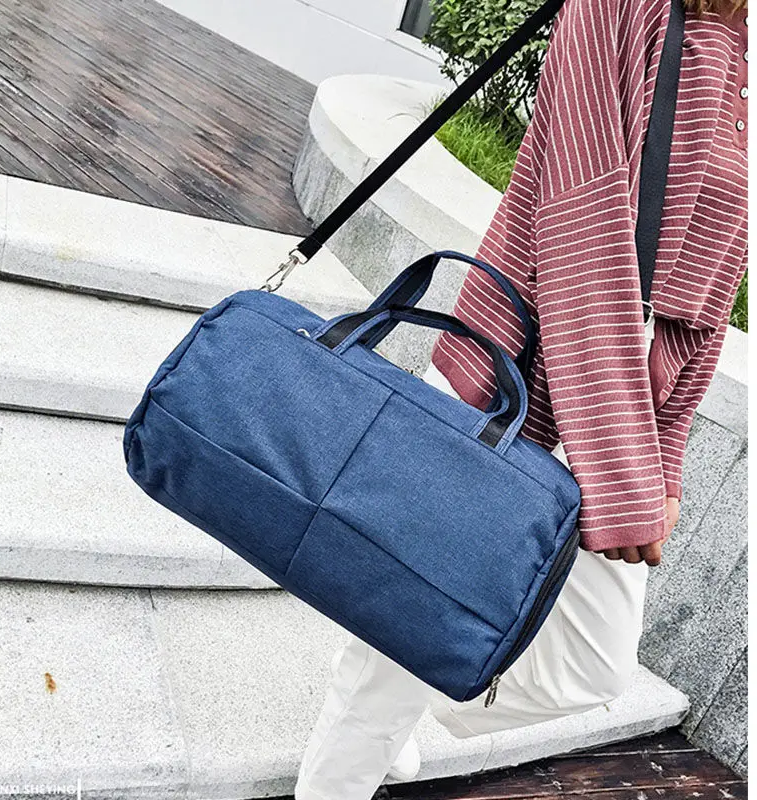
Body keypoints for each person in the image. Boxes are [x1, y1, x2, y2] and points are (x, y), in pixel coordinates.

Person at [294, 0, 748, 797]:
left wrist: (667, 450)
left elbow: (711, 293)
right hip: (517, 372)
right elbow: (581, 225)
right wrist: (623, 471)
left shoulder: (736, 33)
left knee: (595, 663)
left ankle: (388, 678)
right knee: (417, 612)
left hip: (628, 405)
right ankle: (366, 718)